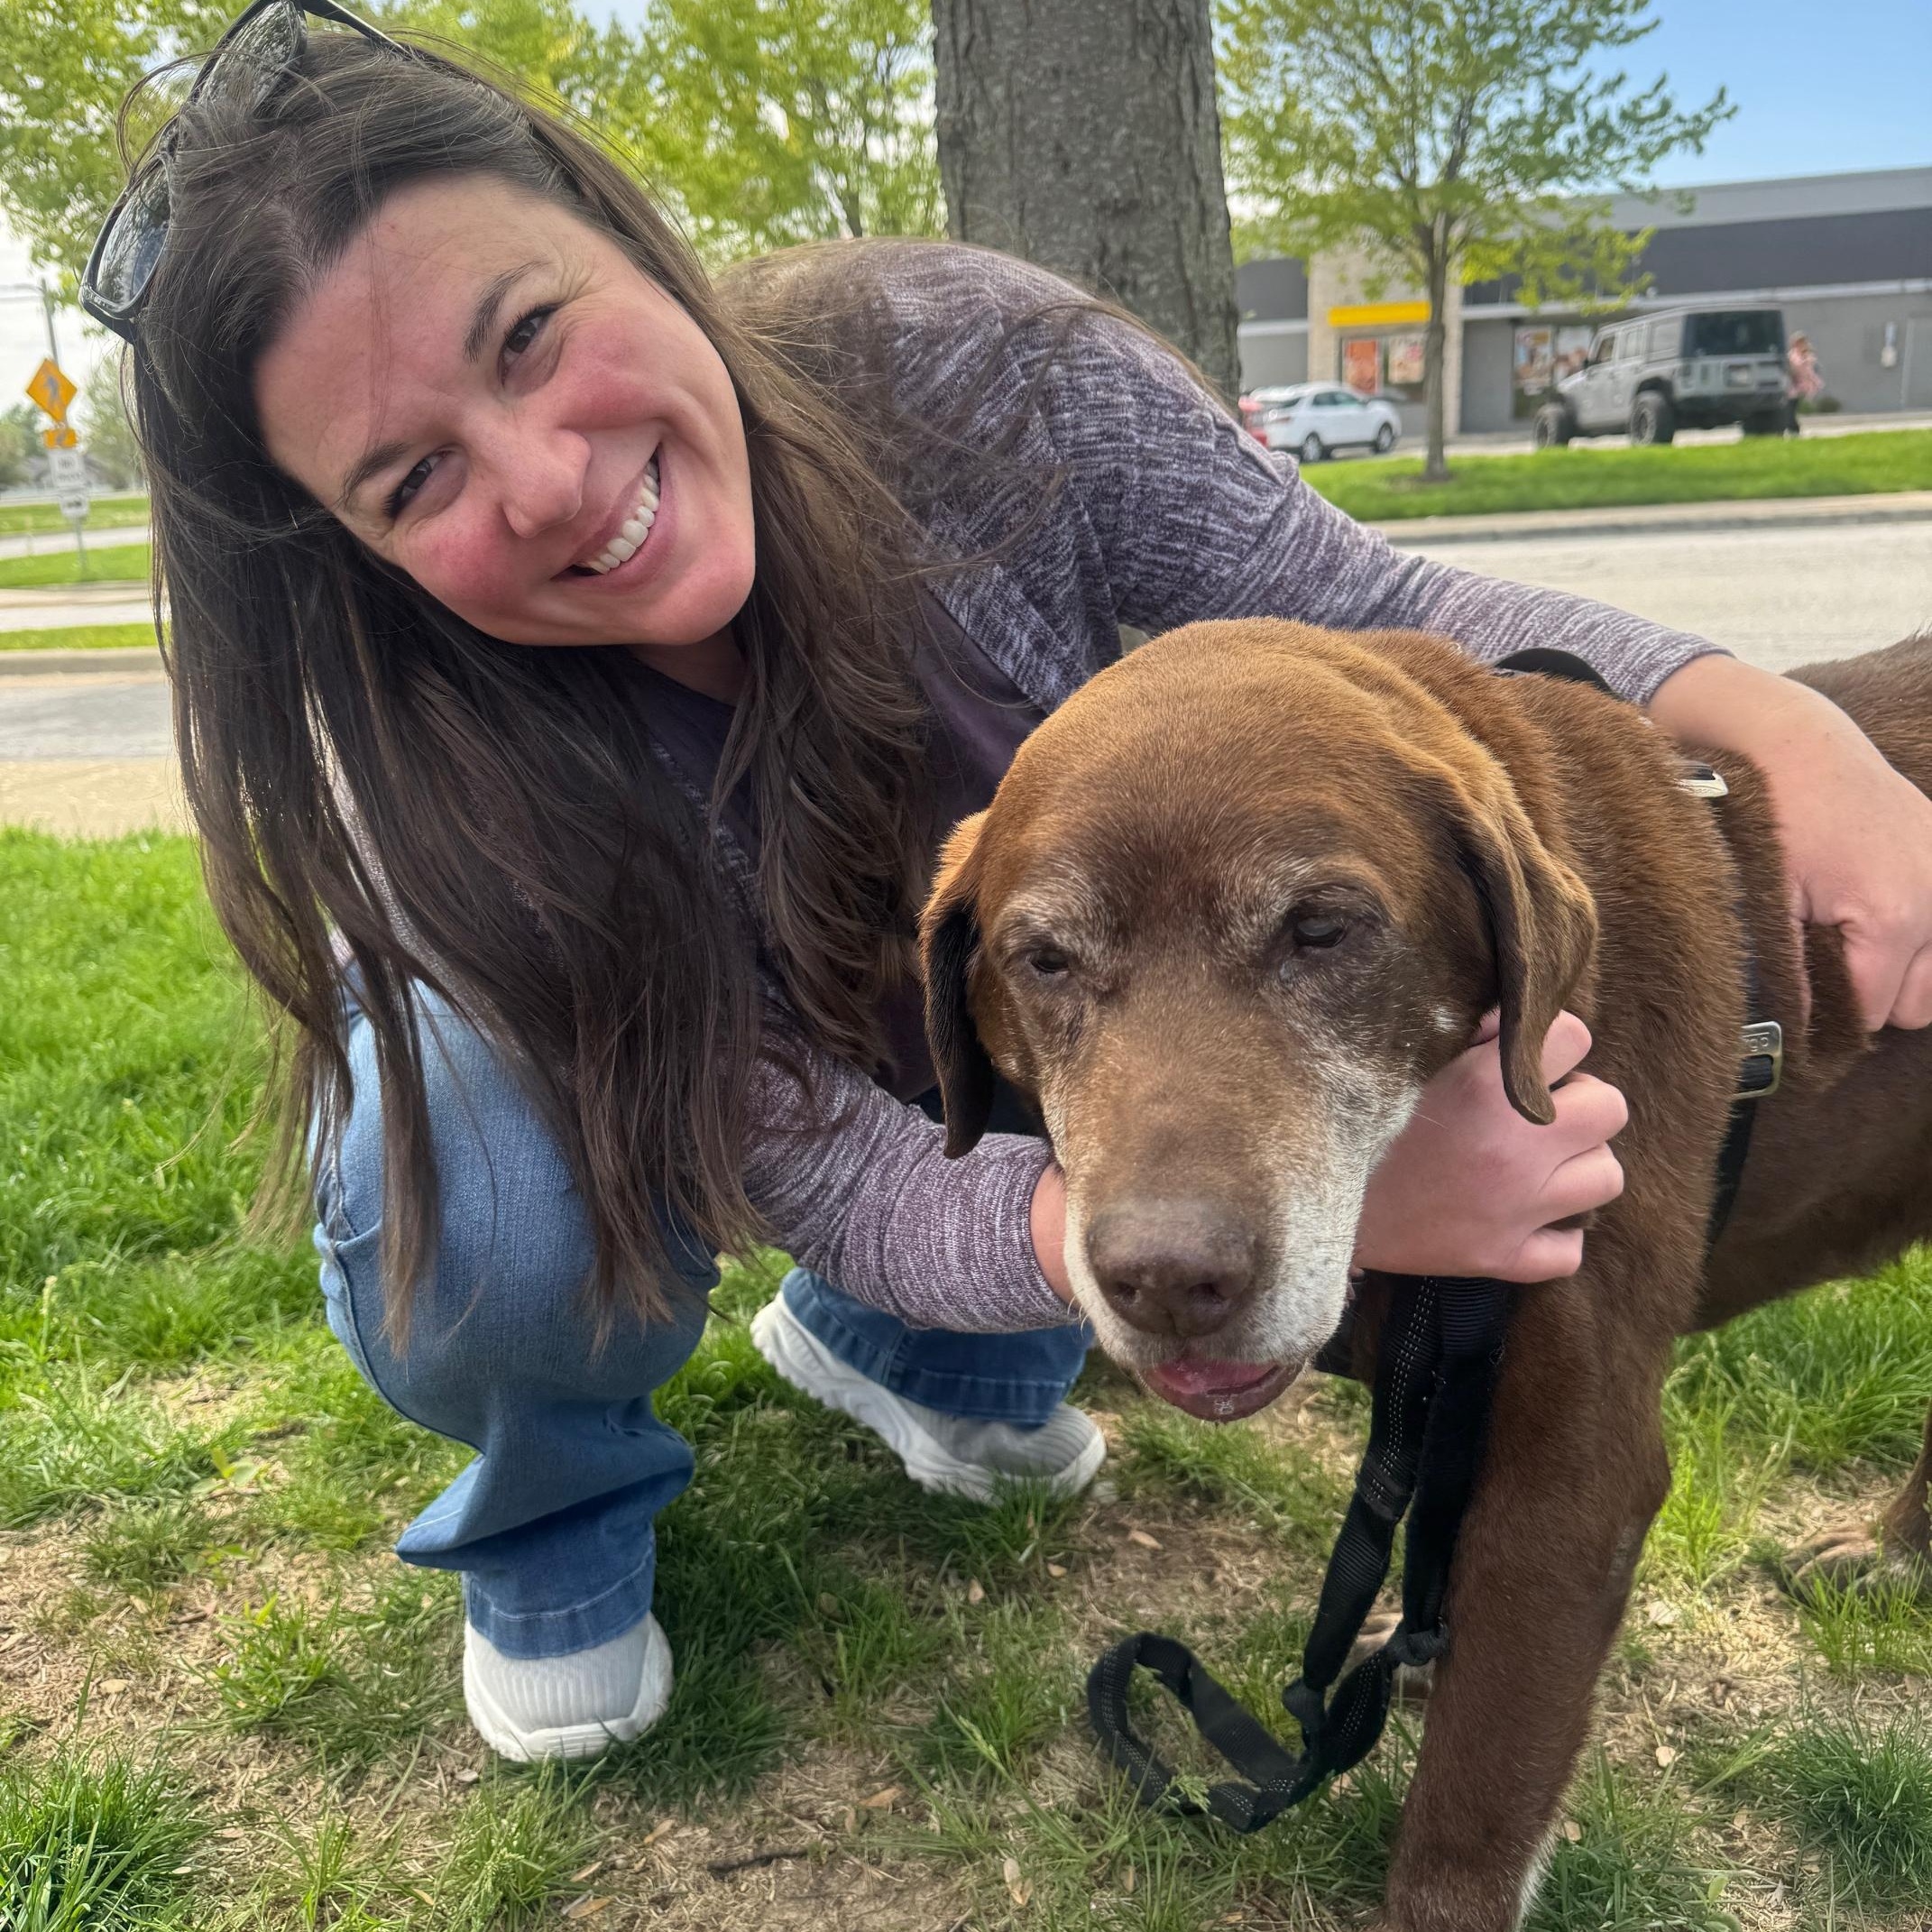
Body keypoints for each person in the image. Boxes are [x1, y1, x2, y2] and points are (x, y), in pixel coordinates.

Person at [88, 4, 1932, 1764]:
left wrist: (1781, 726)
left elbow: (1375, 603)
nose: (552, 480)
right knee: (475, 1164)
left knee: (1109, 936)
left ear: (629, 246)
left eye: (526, 335)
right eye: (414, 480)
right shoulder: (440, 781)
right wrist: (1284, 1214)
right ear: (345, 552)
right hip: (671, 1063)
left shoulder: (967, 366)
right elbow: (808, 1153)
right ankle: (549, 1514)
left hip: (999, 1003)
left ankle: (922, 1360)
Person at [1786, 330, 1826, 431]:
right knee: (1790, 409)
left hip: (1801, 387)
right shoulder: (1792, 355)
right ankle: (1793, 428)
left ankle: (1794, 429)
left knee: (1791, 409)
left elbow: (1807, 371)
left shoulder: (1806, 356)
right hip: (1793, 386)